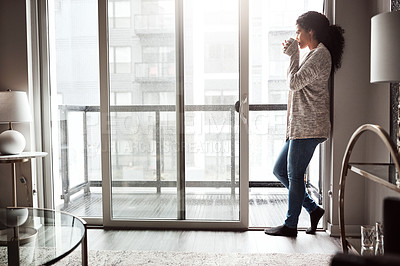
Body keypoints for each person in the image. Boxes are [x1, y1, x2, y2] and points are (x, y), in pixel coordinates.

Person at [264, 11, 345, 237]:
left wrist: (292, 55)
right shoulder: (313, 54)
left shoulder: (320, 55)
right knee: (280, 170)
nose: (296, 36)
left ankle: (291, 225)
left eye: (299, 31)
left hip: (309, 128)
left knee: (295, 174)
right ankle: (312, 209)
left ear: (311, 31)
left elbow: (295, 82)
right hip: (300, 127)